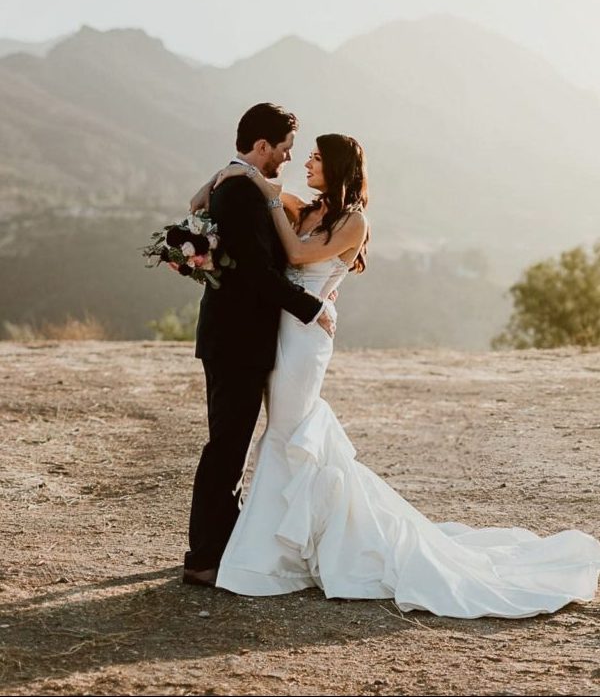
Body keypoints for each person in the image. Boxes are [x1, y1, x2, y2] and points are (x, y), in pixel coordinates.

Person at [208, 132, 600, 618]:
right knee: (283, 432)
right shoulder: (307, 210)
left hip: (307, 341)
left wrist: (270, 201)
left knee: (288, 431)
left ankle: (272, 555)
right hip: (282, 332)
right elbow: (244, 197)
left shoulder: (354, 222)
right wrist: (241, 173)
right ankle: (283, 542)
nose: (305, 163)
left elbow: (297, 257)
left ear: (337, 166)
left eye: (314, 157)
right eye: (303, 154)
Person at [182, 103, 335, 587]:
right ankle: (204, 559)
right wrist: (312, 308)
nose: (287, 160)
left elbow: (202, 208)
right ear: (263, 146)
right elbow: (256, 270)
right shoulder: (242, 192)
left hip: (237, 336)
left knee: (232, 445)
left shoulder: (244, 184)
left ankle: (222, 548)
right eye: (285, 151)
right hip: (237, 339)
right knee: (227, 447)